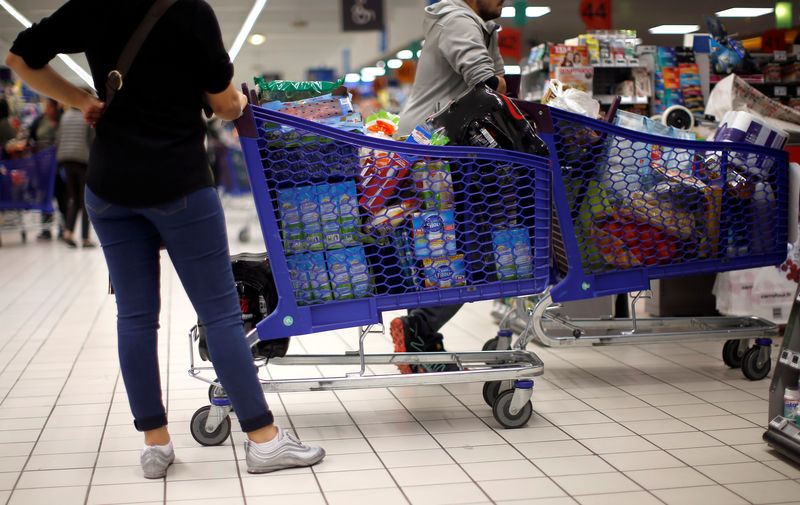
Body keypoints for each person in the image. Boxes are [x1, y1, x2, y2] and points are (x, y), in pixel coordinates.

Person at [6, 0, 324, 479]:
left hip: (108, 189)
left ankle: (155, 445)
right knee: (219, 313)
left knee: (135, 317)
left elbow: (19, 58)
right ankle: (264, 441)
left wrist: (82, 101)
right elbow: (222, 103)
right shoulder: (192, 12)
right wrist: (237, 102)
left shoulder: (92, 7)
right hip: (179, 185)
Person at [393, 0, 506, 373]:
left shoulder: (477, 25)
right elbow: (489, 85)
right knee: (474, 253)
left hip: (439, 150)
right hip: (438, 153)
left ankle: (420, 337)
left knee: (440, 248)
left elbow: (497, 86)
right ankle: (419, 326)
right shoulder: (459, 20)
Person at [56, 99, 95, 248]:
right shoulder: (87, 116)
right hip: (82, 160)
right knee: (85, 199)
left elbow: (59, 139)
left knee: (73, 197)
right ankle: (85, 238)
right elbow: (91, 140)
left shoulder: (65, 116)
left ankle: (68, 232)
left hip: (66, 159)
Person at [30, 97, 67, 240]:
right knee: (45, 197)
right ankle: (46, 229)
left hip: (59, 166)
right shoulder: (39, 121)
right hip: (42, 168)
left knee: (62, 196)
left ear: (56, 107)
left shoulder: (63, 120)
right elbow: (31, 138)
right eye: (45, 107)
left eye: (49, 107)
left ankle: (63, 228)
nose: (46, 110)